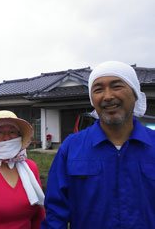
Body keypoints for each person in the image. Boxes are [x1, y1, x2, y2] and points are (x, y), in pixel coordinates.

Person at [41, 61, 155, 229]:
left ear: (135, 93)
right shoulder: (71, 148)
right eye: (98, 89)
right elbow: (55, 213)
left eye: (117, 86)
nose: (107, 96)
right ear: (92, 99)